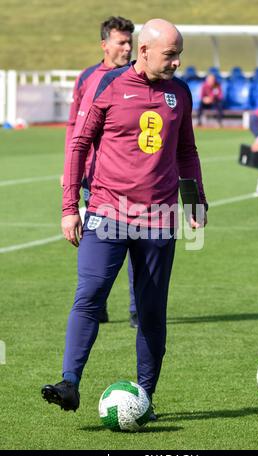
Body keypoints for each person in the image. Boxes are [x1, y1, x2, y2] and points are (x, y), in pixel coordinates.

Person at [41, 18, 208, 418]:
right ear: (144, 50)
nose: (177, 63)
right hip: (106, 211)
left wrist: (194, 201)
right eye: (170, 55)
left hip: (160, 217)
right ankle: (70, 382)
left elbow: (186, 150)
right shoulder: (108, 85)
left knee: (151, 311)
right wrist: (69, 207)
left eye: (179, 54)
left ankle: (144, 397)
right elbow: (79, 144)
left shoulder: (180, 93)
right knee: (89, 297)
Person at [63, 16, 138, 327]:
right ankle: (98, 304)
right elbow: (74, 126)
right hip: (94, 178)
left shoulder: (139, 75)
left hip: (132, 177)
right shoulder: (89, 77)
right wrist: (69, 169)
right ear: (104, 45)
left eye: (129, 41)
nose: (127, 47)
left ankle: (137, 309)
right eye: (121, 42)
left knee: (139, 240)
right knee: (101, 244)